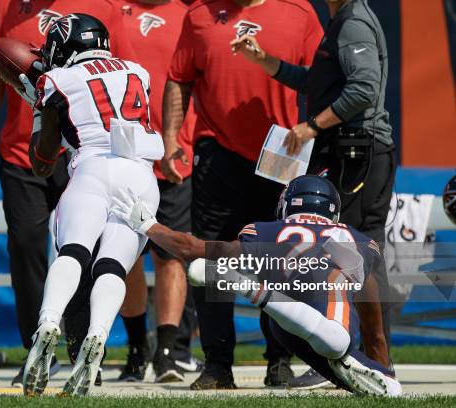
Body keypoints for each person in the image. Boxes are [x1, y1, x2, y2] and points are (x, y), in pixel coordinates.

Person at [111, 175, 402, 396]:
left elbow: (191, 249)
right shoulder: (360, 240)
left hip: (293, 323)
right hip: (337, 318)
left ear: (287, 204)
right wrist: (381, 364)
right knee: (388, 386)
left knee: (281, 327)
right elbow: (373, 328)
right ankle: (356, 363)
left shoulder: (267, 231)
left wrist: (148, 225)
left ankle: (251, 288)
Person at [231, 0, 395, 389]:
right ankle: (364, 357)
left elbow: (364, 88)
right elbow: (317, 83)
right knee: (351, 255)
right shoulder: (340, 20)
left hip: (357, 152)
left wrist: (311, 126)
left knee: (354, 255)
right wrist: (266, 61)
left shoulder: (353, 23)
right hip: (351, 150)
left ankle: (359, 357)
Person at [0, 0, 134, 387]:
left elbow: (120, 80)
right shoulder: (5, 5)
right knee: (25, 247)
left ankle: (82, 354)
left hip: (83, 151)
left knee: (83, 250)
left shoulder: (103, 7)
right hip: (21, 149)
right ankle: (38, 353)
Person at [163, 0, 323, 389]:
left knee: (282, 263)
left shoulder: (298, 11)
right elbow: (178, 78)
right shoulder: (199, 13)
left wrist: (313, 130)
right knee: (211, 259)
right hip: (216, 154)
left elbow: (324, 79)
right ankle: (217, 364)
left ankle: (280, 360)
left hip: (279, 156)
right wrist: (170, 140)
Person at [19, 14, 162, 397]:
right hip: (141, 177)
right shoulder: (138, 71)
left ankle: (47, 323)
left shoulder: (55, 81)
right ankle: (97, 336)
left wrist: (39, 110)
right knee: (112, 265)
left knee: (73, 251)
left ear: (64, 47)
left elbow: (42, 159)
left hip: (93, 170)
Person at [115, 0, 199, 383]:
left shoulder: (191, 14)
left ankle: (167, 352)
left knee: (171, 255)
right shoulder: (111, 11)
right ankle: (136, 350)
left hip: (175, 154)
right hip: (123, 156)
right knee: (127, 256)